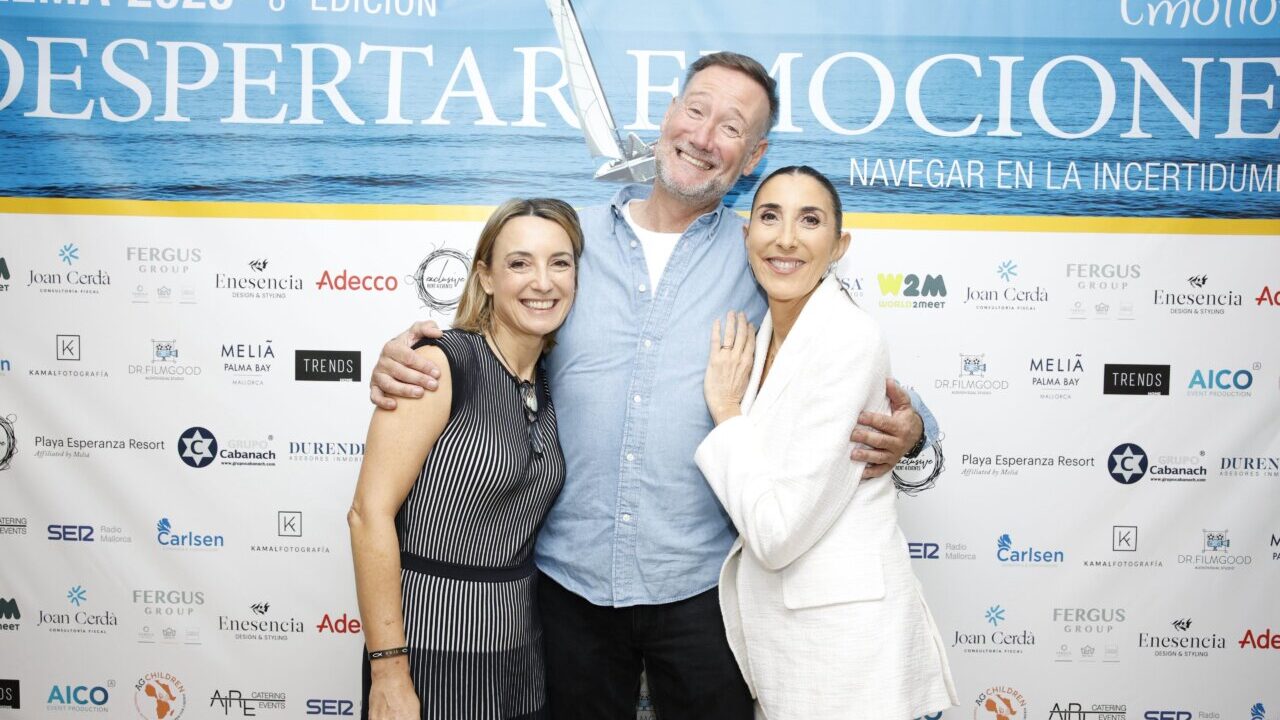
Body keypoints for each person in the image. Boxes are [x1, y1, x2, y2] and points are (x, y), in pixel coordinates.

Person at [369, 53, 940, 719]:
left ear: (753, 156)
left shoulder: (765, 253)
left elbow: (844, 354)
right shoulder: (572, 243)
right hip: (565, 588)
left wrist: (914, 424)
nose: (703, 136)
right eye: (695, 111)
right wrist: (415, 356)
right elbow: (495, 342)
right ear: (668, 116)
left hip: (705, 593)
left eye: (731, 127)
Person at [698, 165, 957, 719]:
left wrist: (726, 412)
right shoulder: (766, 331)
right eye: (770, 216)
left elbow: (777, 534)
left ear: (839, 245)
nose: (786, 237)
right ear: (747, 236)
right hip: (796, 651)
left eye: (809, 220)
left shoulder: (848, 339)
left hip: (850, 658)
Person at [348, 198, 584, 720]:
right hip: (426, 656)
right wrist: (388, 670)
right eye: (519, 263)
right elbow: (368, 514)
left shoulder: (547, 381)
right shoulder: (439, 365)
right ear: (487, 276)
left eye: (560, 263)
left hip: (518, 661)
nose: (542, 282)